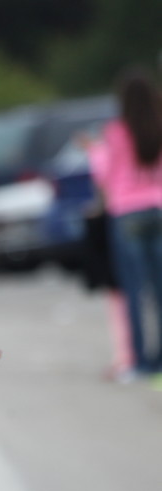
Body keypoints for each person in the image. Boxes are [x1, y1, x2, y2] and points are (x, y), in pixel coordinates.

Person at [85, 66, 162, 379]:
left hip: (127, 213)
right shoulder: (158, 126)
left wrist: (93, 151)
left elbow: (104, 176)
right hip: (157, 208)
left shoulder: (116, 131)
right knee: (159, 290)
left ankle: (140, 363)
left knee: (133, 292)